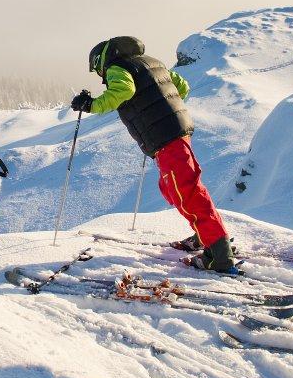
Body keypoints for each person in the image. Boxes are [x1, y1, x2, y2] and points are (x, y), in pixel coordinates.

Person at [74, 36, 238, 272]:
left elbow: (124, 90)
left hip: (166, 138)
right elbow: (181, 87)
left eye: (97, 69)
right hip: (175, 135)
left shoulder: (117, 68)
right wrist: (160, 105)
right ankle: (205, 235)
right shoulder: (152, 63)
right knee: (172, 189)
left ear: (101, 60)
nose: (100, 76)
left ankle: (219, 256)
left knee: (187, 193)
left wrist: (91, 104)